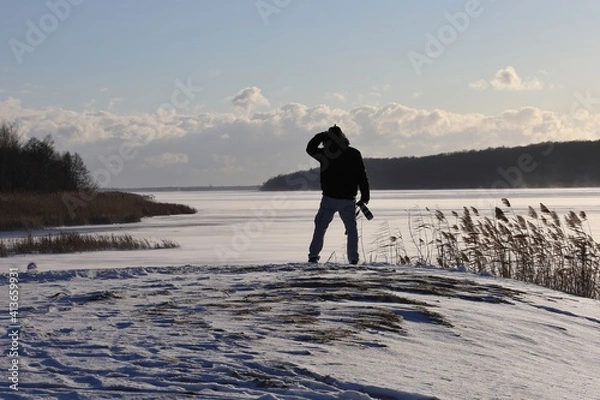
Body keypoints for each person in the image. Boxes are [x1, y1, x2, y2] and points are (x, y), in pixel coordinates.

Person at [306, 124, 370, 264]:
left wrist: (322, 135)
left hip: (329, 198)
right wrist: (365, 195)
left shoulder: (325, 154)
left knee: (320, 227)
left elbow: (310, 148)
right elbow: (362, 176)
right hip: (348, 199)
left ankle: (313, 256)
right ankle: (353, 259)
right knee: (351, 230)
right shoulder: (354, 153)